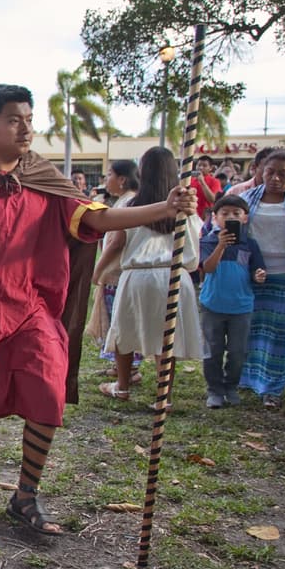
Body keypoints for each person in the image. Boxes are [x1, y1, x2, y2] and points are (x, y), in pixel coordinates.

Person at [0, 85, 196, 535]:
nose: (25, 129)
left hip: (32, 309)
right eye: (13, 120)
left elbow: (98, 218)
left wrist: (164, 207)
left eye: (29, 119)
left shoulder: (44, 178)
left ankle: (25, 497)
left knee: (47, 389)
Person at [94, 147, 205, 406]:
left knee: (124, 331)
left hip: (139, 276)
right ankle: (163, 396)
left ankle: (122, 386)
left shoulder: (132, 205)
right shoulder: (186, 208)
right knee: (166, 338)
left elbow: (117, 241)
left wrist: (98, 270)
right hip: (174, 276)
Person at [199, 195, 267, 408]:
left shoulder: (250, 244)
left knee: (238, 352)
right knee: (213, 351)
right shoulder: (208, 241)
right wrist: (220, 245)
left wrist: (258, 275)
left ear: (245, 218)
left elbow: (257, 270)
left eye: (236, 214)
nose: (231, 217)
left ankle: (231, 387)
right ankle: (214, 390)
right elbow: (208, 268)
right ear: (215, 217)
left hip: (241, 307)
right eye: (225, 213)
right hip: (212, 305)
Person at [239, 150, 285, 408]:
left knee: (281, 336)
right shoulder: (246, 200)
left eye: (282, 173)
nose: (275, 178)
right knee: (252, 330)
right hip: (252, 277)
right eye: (270, 172)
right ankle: (248, 378)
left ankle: (273, 387)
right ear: (261, 172)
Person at [87, 159, 142, 378]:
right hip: (118, 272)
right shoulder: (123, 202)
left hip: (118, 274)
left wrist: (98, 270)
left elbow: (117, 242)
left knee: (121, 323)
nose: (105, 179)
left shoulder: (128, 203)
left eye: (109, 174)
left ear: (122, 179)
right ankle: (122, 367)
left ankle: (129, 369)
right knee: (118, 321)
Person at [188, 155, 221, 220]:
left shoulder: (215, 181)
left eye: (204, 166)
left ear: (210, 168)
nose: (200, 168)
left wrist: (202, 182)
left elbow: (213, 200)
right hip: (192, 216)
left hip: (206, 217)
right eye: (199, 165)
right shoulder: (190, 180)